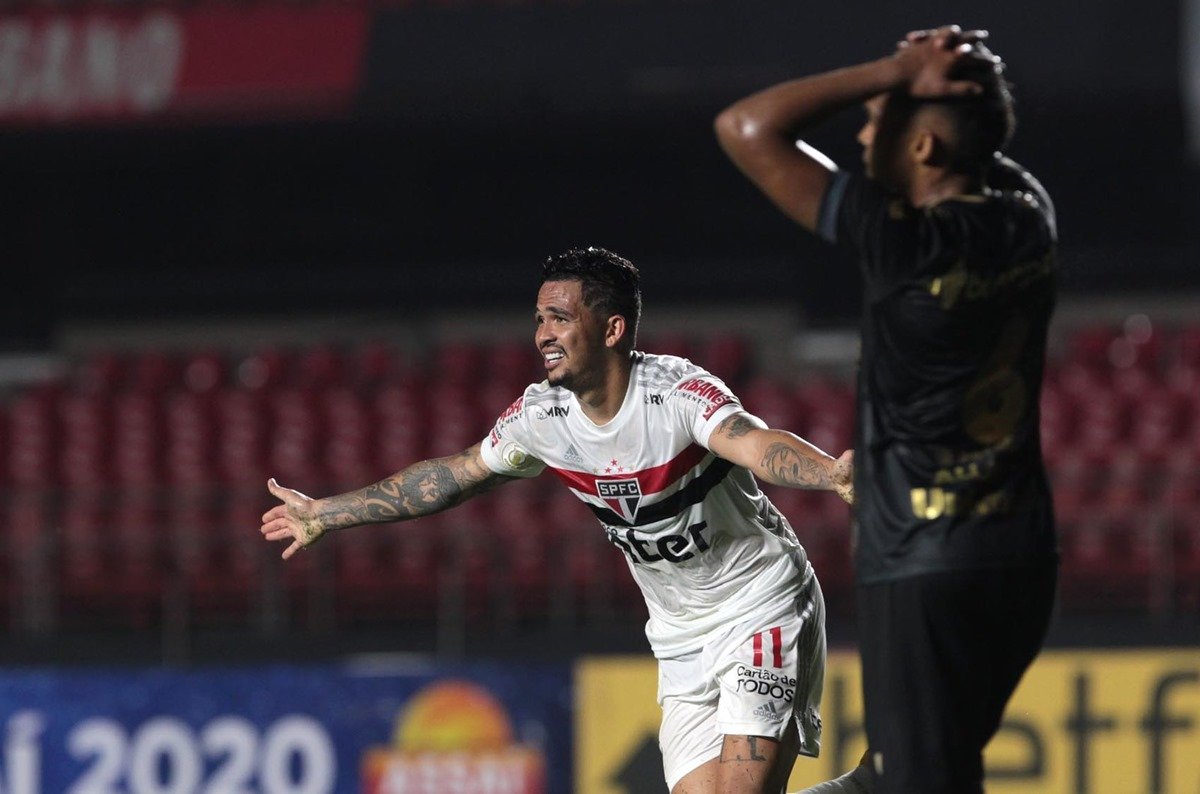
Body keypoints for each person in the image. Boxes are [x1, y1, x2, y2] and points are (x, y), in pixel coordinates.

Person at [261, 247, 860, 793]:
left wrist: (832, 472)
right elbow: (453, 476)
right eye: (539, 320)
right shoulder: (541, 417)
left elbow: (755, 444)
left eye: (560, 318)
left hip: (761, 603)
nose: (543, 334)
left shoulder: (676, 394)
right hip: (680, 638)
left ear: (613, 328)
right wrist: (325, 513)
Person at [714, 25, 1059, 793]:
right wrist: (952, 87)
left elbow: (746, 127)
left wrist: (898, 68)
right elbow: (981, 148)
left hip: (924, 565)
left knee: (917, 781)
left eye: (877, 119)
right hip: (1018, 556)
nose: (864, 134)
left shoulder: (901, 241)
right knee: (895, 773)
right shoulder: (1030, 219)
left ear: (925, 147)